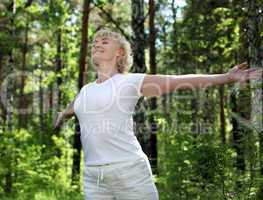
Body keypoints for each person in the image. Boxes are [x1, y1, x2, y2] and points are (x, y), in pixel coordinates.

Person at [53, 29, 262, 200]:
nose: (96, 44)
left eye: (104, 41)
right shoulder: (86, 90)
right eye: (94, 42)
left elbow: (178, 81)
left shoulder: (130, 81)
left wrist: (226, 77)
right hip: (93, 177)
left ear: (119, 52)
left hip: (129, 172)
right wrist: (62, 114)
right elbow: (75, 106)